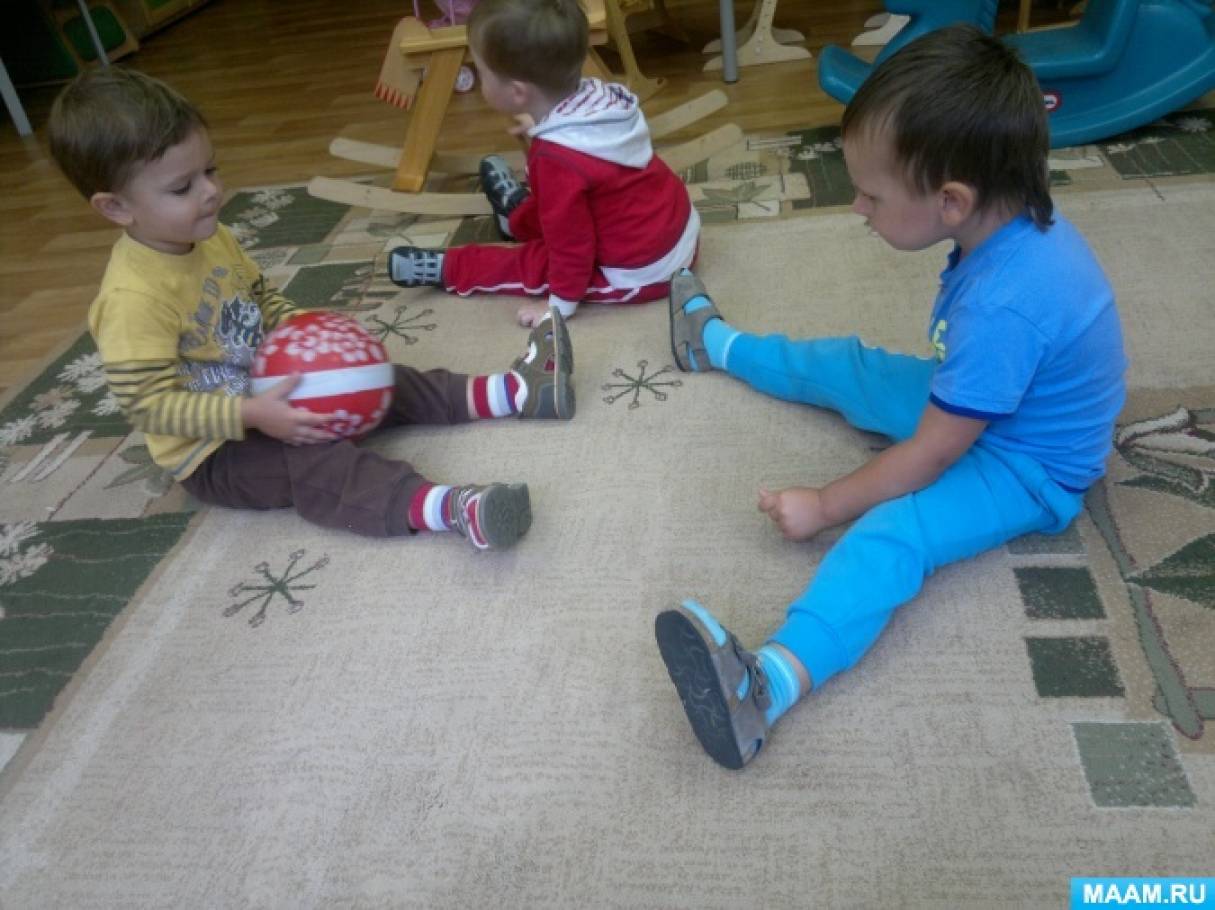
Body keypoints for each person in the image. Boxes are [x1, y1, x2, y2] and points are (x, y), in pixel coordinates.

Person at [654, 25, 1128, 769]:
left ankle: (767, 687)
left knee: (892, 532)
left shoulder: (1005, 305)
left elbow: (932, 454)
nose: (857, 208)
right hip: (994, 405)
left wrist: (826, 504)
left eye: (872, 195)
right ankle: (715, 344)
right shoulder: (1006, 223)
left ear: (951, 200)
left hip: (1029, 466)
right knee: (855, 369)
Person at [48, 66, 575, 550]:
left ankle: (515, 392)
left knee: (381, 378)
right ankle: (447, 509)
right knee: (319, 462)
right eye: (183, 187)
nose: (210, 192)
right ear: (116, 207)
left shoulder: (212, 236)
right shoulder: (132, 300)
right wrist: (251, 414)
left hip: (275, 388)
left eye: (210, 169)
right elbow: (149, 406)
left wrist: (311, 331)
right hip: (217, 451)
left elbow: (261, 299)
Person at [387, 0, 700, 327]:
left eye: (482, 72)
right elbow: (584, 173)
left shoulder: (556, 158)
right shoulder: (601, 98)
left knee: (530, 263)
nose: (481, 80)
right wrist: (538, 125)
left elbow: (572, 247)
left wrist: (558, 305)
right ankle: (516, 220)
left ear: (518, 92)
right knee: (561, 203)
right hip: (674, 230)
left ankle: (451, 267)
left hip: (642, 271)